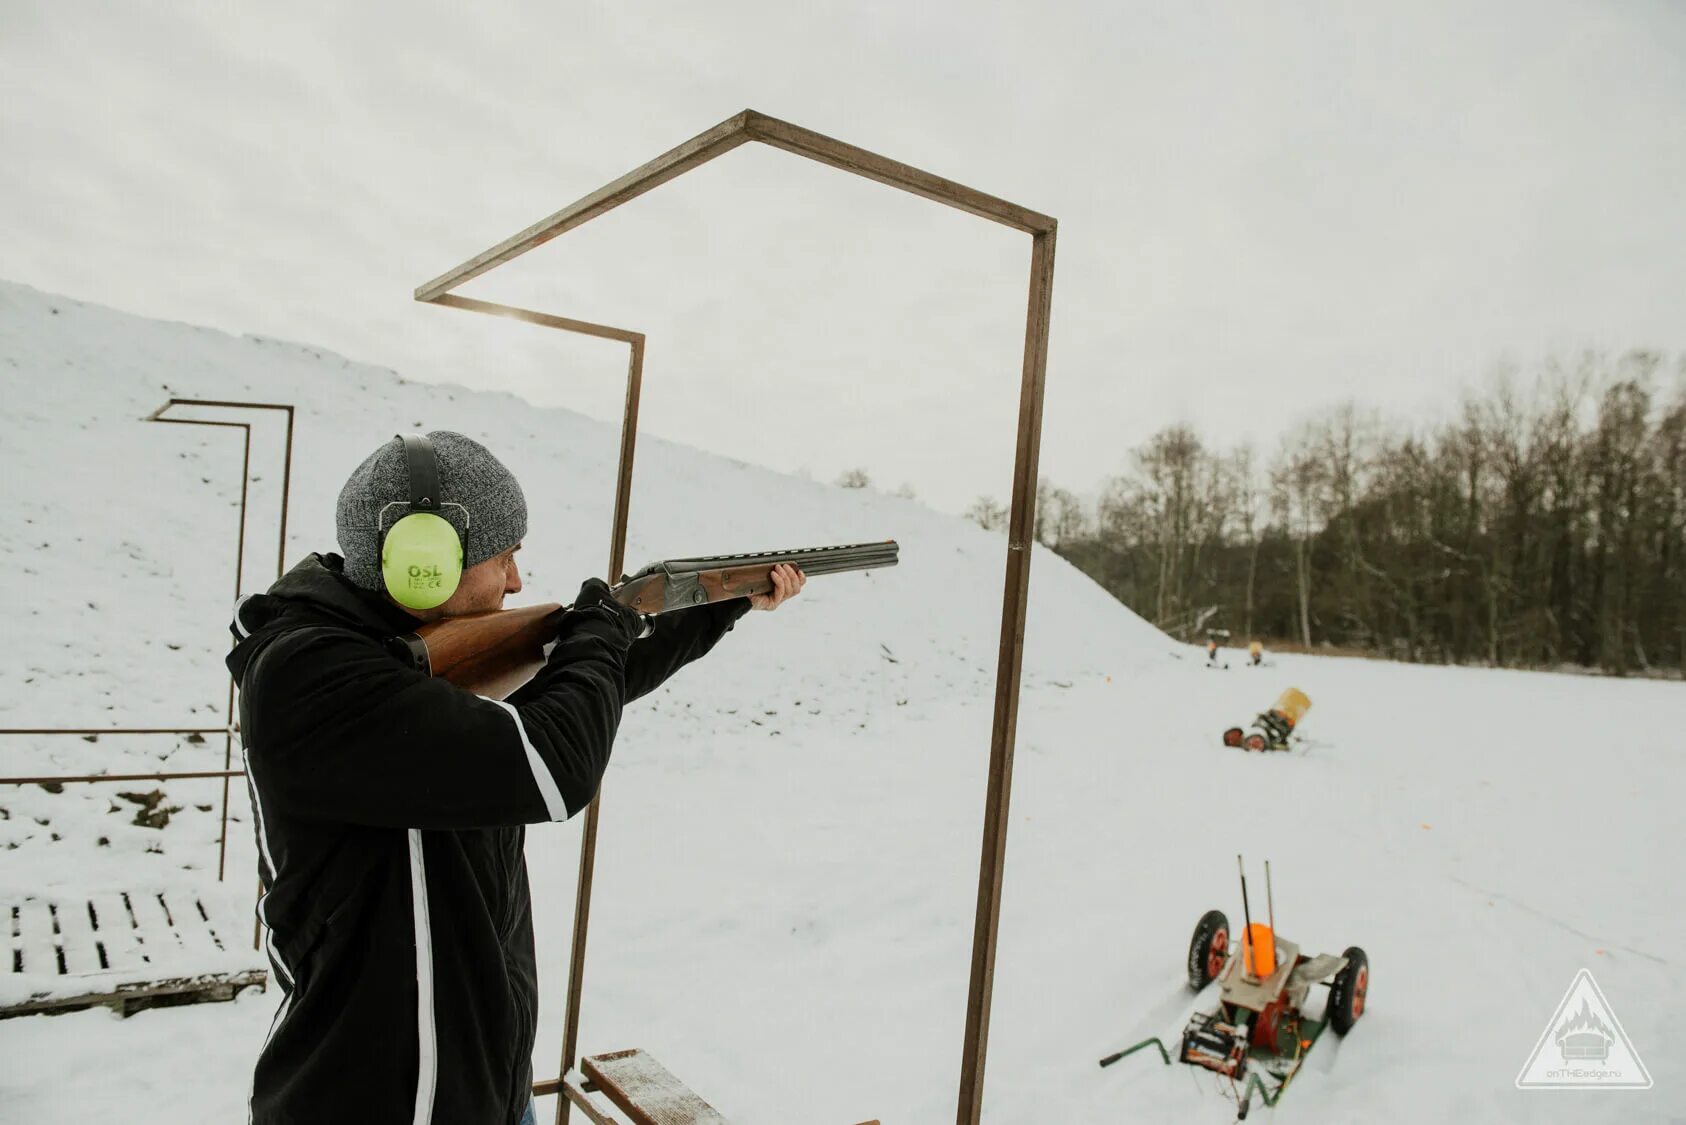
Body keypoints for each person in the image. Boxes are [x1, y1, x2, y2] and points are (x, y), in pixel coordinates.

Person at [226, 431, 803, 1125]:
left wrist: (722, 604)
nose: (518, 582)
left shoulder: (406, 661)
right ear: (424, 563)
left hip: (486, 1088)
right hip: (374, 1100)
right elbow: (555, 766)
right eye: (505, 557)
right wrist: (604, 625)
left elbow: (589, 689)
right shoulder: (311, 674)